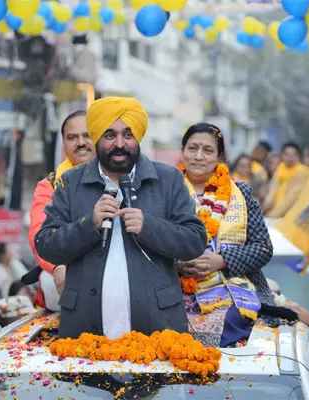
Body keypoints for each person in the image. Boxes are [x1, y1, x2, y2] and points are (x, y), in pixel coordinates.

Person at [35, 97, 207, 339]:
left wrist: (149, 226)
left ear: (137, 136)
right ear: (97, 138)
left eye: (128, 134)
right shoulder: (71, 182)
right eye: (109, 135)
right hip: (85, 335)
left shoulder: (168, 179)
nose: (120, 143)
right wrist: (89, 225)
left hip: (158, 330)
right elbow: (46, 244)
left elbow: (195, 240)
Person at [176, 123, 275, 347]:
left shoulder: (242, 192)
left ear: (220, 156)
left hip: (231, 291)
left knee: (231, 324)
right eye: (192, 148)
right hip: (176, 290)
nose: (199, 156)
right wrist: (179, 263)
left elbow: (263, 248)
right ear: (182, 151)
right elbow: (149, 242)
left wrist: (221, 261)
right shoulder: (165, 189)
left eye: (208, 150)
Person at [28, 110, 95, 310]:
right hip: (66, 270)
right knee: (50, 282)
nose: (80, 143)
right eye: (72, 137)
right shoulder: (49, 185)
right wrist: (56, 267)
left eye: (87, 135)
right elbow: (38, 236)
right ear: (64, 143)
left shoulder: (118, 176)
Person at [263, 142, 309, 218]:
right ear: (282, 155)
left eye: (293, 155)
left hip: (290, 214)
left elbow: (291, 198)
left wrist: (273, 214)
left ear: (298, 156)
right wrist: (267, 204)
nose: (290, 157)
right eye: (287, 154)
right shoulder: (280, 168)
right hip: (275, 210)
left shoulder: (303, 172)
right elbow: (273, 190)